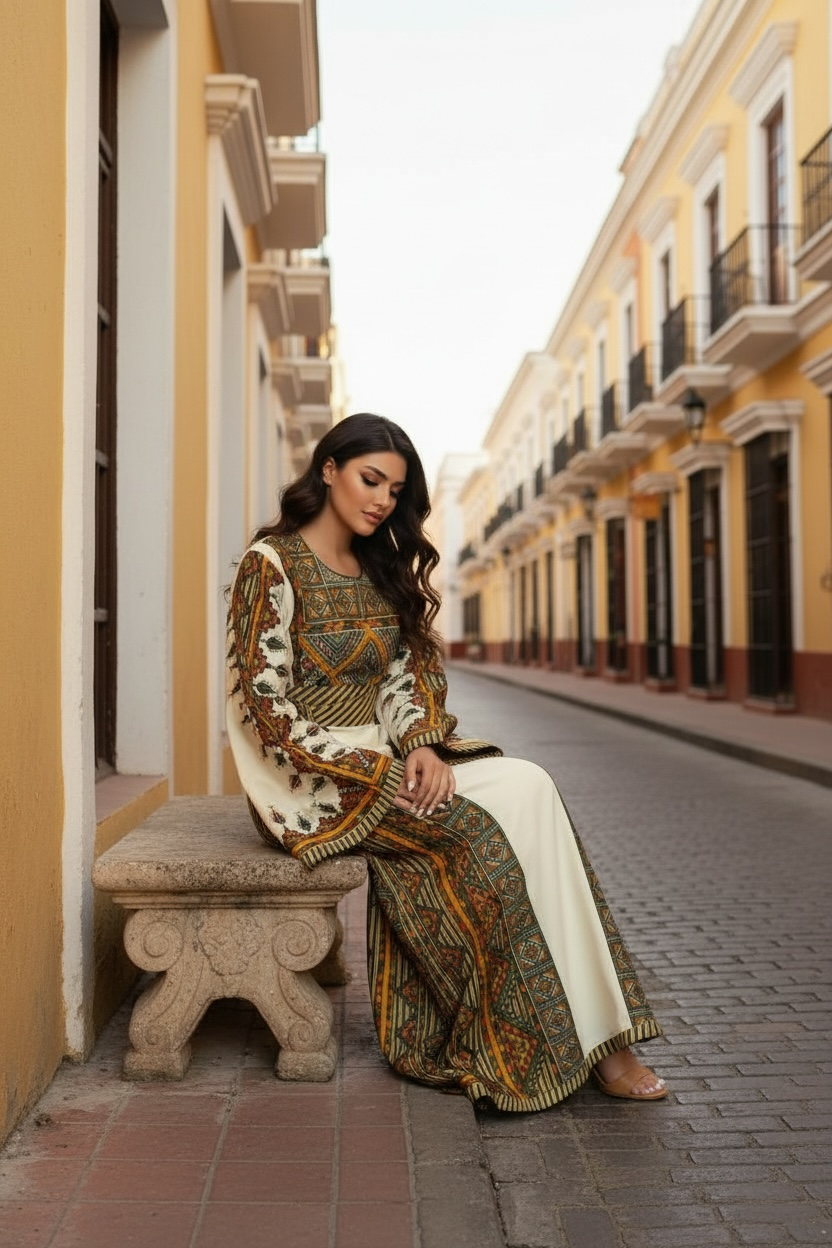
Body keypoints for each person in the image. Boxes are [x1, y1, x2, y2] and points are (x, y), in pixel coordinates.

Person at [226, 413, 666, 1109]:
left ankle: (606, 1030)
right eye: (371, 479)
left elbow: (406, 678)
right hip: (310, 784)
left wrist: (421, 745)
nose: (381, 500)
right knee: (479, 836)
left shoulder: (380, 567)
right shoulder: (271, 565)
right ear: (329, 469)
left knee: (531, 788)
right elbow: (265, 707)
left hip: (392, 760)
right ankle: (540, 1048)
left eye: (395, 491)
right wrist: (377, 770)